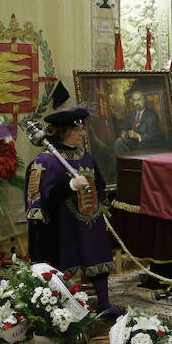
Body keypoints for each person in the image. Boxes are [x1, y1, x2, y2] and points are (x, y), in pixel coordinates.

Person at [25, 107, 121, 315]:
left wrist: (102, 206)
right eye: (77, 129)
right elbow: (42, 197)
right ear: (62, 131)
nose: (83, 133)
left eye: (83, 129)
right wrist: (69, 186)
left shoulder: (86, 157)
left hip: (90, 219)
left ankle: (104, 304)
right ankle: (65, 310)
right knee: (63, 265)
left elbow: (100, 184)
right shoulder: (46, 161)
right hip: (63, 226)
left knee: (97, 258)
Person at [113, 90, 167, 155]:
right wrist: (123, 132)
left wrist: (138, 136)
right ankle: (120, 163)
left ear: (144, 100)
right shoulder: (132, 115)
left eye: (139, 99)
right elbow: (125, 127)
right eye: (134, 100)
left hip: (147, 146)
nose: (137, 103)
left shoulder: (152, 115)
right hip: (132, 145)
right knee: (118, 142)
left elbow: (153, 135)